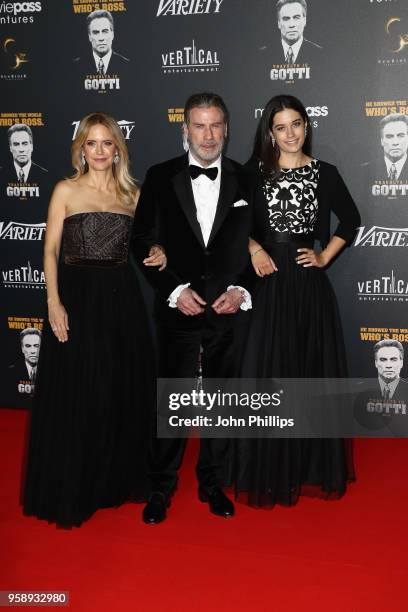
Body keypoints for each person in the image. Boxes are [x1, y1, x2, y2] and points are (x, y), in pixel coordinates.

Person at [22, 112, 166, 528]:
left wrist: (158, 254)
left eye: (107, 143)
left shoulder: (133, 196)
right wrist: (53, 301)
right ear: (80, 148)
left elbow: (147, 251)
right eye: (92, 143)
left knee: (115, 391)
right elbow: (49, 250)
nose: (100, 151)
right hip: (77, 298)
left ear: (118, 148)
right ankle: (77, 483)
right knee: (78, 392)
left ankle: (112, 480)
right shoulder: (65, 190)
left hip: (121, 302)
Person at [234, 94, 360, 508]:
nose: (290, 134)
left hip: (307, 287)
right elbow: (230, 222)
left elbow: (352, 219)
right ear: (269, 132)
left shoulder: (325, 174)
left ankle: (307, 465)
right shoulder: (253, 173)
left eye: (296, 124)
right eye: (281, 126)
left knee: (306, 371)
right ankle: (268, 464)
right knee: (268, 373)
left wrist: (324, 255)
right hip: (267, 281)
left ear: (307, 126)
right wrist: (253, 248)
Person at [132, 92, 252, 524]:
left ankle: (213, 483)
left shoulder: (246, 179)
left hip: (226, 311)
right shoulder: (160, 176)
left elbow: (260, 246)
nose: (207, 135)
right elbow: (141, 240)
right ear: (184, 129)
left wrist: (241, 291)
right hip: (176, 308)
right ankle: (160, 487)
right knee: (172, 401)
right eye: (198, 125)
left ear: (227, 129)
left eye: (215, 125)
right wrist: (174, 289)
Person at [73, 10, 130, 74]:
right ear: (89, 37)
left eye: (105, 31)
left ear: (112, 34)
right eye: (96, 32)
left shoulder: (127, 66)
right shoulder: (75, 67)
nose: (101, 38)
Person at [378, 114, 408, 181]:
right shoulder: (365, 170)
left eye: (400, 136)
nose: (395, 142)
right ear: (382, 141)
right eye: (389, 137)